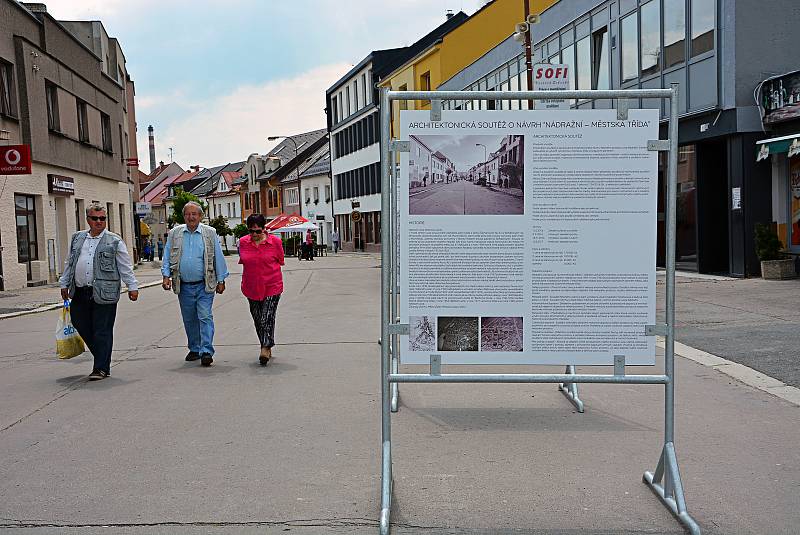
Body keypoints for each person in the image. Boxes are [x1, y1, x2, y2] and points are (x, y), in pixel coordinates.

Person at [59, 203, 139, 380]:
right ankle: (103, 357)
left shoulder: (114, 240)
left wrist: (132, 286)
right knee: (80, 323)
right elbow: (69, 262)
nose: (99, 221)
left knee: (102, 330)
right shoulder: (78, 238)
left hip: (105, 292)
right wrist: (64, 283)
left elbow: (125, 266)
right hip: (80, 291)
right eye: (95, 218)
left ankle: (100, 368)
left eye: (102, 218)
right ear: (88, 219)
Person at [161, 201, 229, 367]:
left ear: (200, 216)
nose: (191, 217)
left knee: (205, 316)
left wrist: (221, 279)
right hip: (183, 284)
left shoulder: (210, 233)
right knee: (190, 318)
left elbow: (217, 257)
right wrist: (166, 275)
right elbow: (167, 253)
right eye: (188, 214)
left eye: (194, 214)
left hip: (204, 283)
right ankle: (194, 348)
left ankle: (206, 351)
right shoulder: (175, 233)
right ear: (184, 216)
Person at [238, 214, 284, 365]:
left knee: (266, 317)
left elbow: (280, 260)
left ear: (264, 229)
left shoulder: (275, 242)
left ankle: (265, 347)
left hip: (272, 285)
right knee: (258, 319)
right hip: (251, 287)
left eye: (258, 231)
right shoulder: (243, 243)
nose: (255, 234)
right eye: (251, 231)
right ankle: (266, 344)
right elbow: (243, 261)